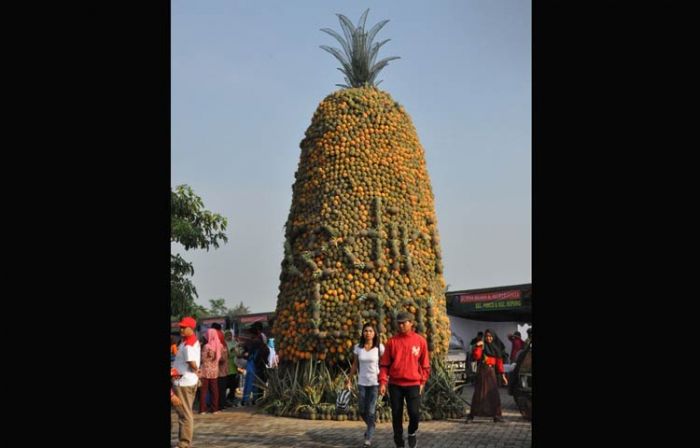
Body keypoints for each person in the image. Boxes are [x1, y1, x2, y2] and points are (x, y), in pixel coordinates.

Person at [379, 312, 430, 448]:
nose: (401, 325)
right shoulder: (392, 342)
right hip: (395, 384)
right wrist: (383, 382)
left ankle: (412, 432)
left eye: (404, 322)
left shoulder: (420, 341)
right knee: (396, 414)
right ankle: (399, 441)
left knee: (414, 414)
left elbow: (425, 365)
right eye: (399, 323)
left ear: (411, 323)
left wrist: (422, 381)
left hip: (413, 384)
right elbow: (384, 365)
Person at [346, 323, 385, 447]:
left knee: (371, 410)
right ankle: (371, 424)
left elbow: (385, 365)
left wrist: (384, 382)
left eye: (370, 331)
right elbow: (355, 365)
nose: (368, 333)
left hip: (375, 383)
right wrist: (349, 379)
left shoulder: (380, 348)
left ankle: (368, 437)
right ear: (363, 333)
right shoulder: (358, 347)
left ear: (374, 334)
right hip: (362, 383)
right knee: (362, 409)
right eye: (366, 331)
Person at [466, 329, 508, 423]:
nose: (489, 338)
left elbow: (499, 364)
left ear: (493, 337)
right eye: (487, 336)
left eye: (490, 336)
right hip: (482, 372)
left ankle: (497, 416)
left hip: (491, 373)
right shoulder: (482, 346)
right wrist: (478, 346)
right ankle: (472, 415)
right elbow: (476, 357)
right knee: (478, 394)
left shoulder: (496, 348)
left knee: (493, 395)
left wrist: (503, 376)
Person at [171, 316, 201, 448]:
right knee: (184, 412)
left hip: (183, 382)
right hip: (184, 380)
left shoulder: (188, 345)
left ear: (191, 328)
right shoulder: (188, 341)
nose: (181, 329)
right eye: (180, 327)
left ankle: (184, 444)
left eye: (184, 327)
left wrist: (195, 370)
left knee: (184, 414)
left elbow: (192, 364)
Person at [199, 328, 223, 414]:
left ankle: (202, 409)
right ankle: (215, 409)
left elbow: (202, 359)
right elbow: (220, 358)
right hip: (214, 371)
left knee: (204, 391)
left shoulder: (206, 346)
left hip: (205, 371)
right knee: (214, 390)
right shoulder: (219, 345)